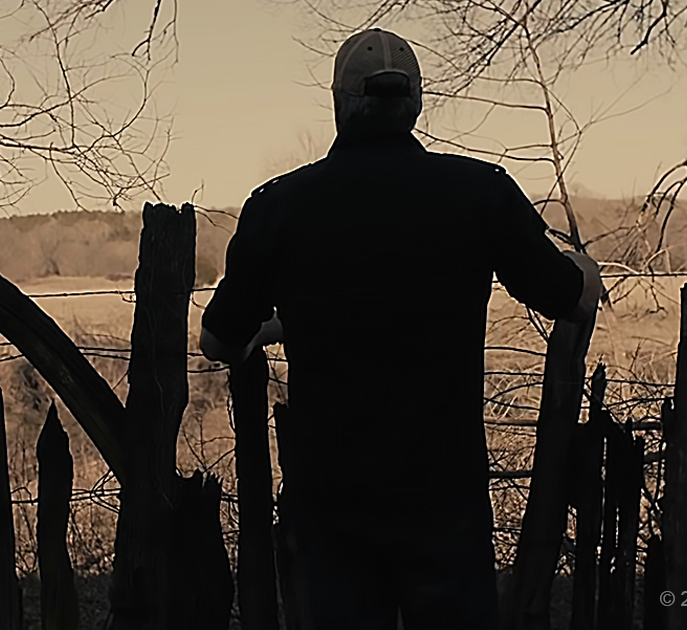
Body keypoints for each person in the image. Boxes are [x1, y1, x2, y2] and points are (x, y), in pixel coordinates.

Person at [199, 27, 603, 630]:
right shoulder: (478, 193)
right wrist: (585, 270)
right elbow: (570, 299)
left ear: (339, 104)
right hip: (444, 498)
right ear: (415, 103)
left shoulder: (279, 206)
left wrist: (278, 325)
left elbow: (217, 341)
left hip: (332, 501)